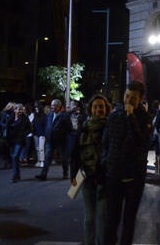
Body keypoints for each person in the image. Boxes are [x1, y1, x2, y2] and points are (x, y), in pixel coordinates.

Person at [102, 80, 151, 245]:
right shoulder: (115, 115)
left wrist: (131, 118)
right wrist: (107, 163)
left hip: (134, 177)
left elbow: (141, 142)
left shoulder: (144, 118)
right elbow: (106, 142)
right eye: (127, 95)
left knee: (129, 221)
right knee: (111, 220)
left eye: (133, 97)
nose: (129, 100)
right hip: (114, 175)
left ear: (140, 99)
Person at [71, 94, 111, 245]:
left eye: (101, 106)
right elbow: (75, 154)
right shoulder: (84, 127)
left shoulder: (111, 127)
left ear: (106, 108)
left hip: (104, 178)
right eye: (95, 107)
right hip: (86, 176)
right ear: (90, 109)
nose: (98, 109)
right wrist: (73, 178)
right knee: (89, 217)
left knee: (102, 217)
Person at [37, 98, 70, 181]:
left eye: (53, 105)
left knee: (63, 157)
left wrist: (62, 133)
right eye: (51, 105)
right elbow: (48, 124)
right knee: (47, 157)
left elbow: (69, 127)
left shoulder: (64, 115)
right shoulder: (50, 114)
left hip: (61, 140)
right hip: (50, 139)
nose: (51, 107)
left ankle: (65, 172)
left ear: (58, 106)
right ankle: (43, 174)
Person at [8, 104, 31, 183]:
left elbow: (30, 128)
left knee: (15, 157)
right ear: (15, 110)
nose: (20, 111)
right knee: (14, 158)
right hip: (11, 140)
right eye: (18, 109)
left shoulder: (24, 118)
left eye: (21, 109)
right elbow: (6, 126)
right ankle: (17, 175)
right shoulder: (10, 117)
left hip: (19, 140)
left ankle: (15, 176)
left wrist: (24, 134)